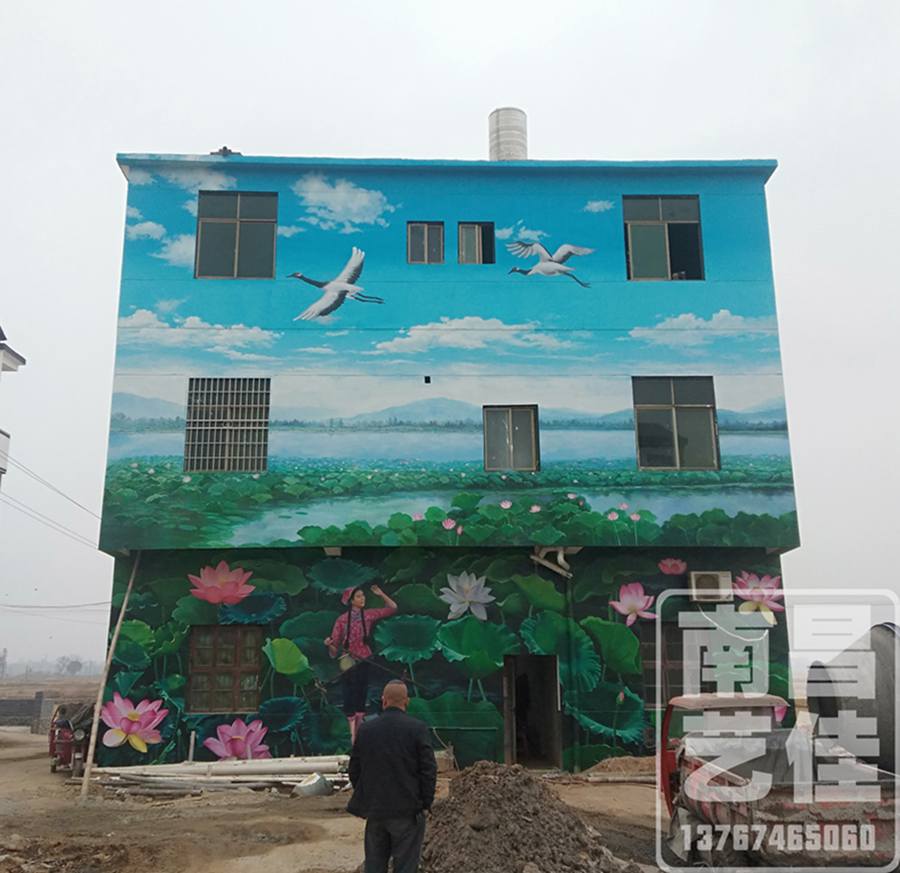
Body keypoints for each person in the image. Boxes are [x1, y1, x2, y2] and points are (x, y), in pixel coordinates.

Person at [348, 680, 437, 873]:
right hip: (407, 811)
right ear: (407, 701)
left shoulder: (366, 730)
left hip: (376, 812)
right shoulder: (417, 729)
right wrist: (425, 802)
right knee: (405, 866)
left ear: (383, 701)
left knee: (374, 866)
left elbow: (354, 769)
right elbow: (428, 770)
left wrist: (367, 796)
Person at [325, 584, 397, 742]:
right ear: (351, 601)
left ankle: (359, 730)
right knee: (348, 694)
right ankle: (352, 733)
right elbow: (334, 649)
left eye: (363, 595)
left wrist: (381, 594)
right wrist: (329, 645)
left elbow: (392, 608)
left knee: (362, 692)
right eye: (358, 596)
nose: (362, 598)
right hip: (348, 661)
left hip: (365, 658)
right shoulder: (342, 620)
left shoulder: (369, 615)